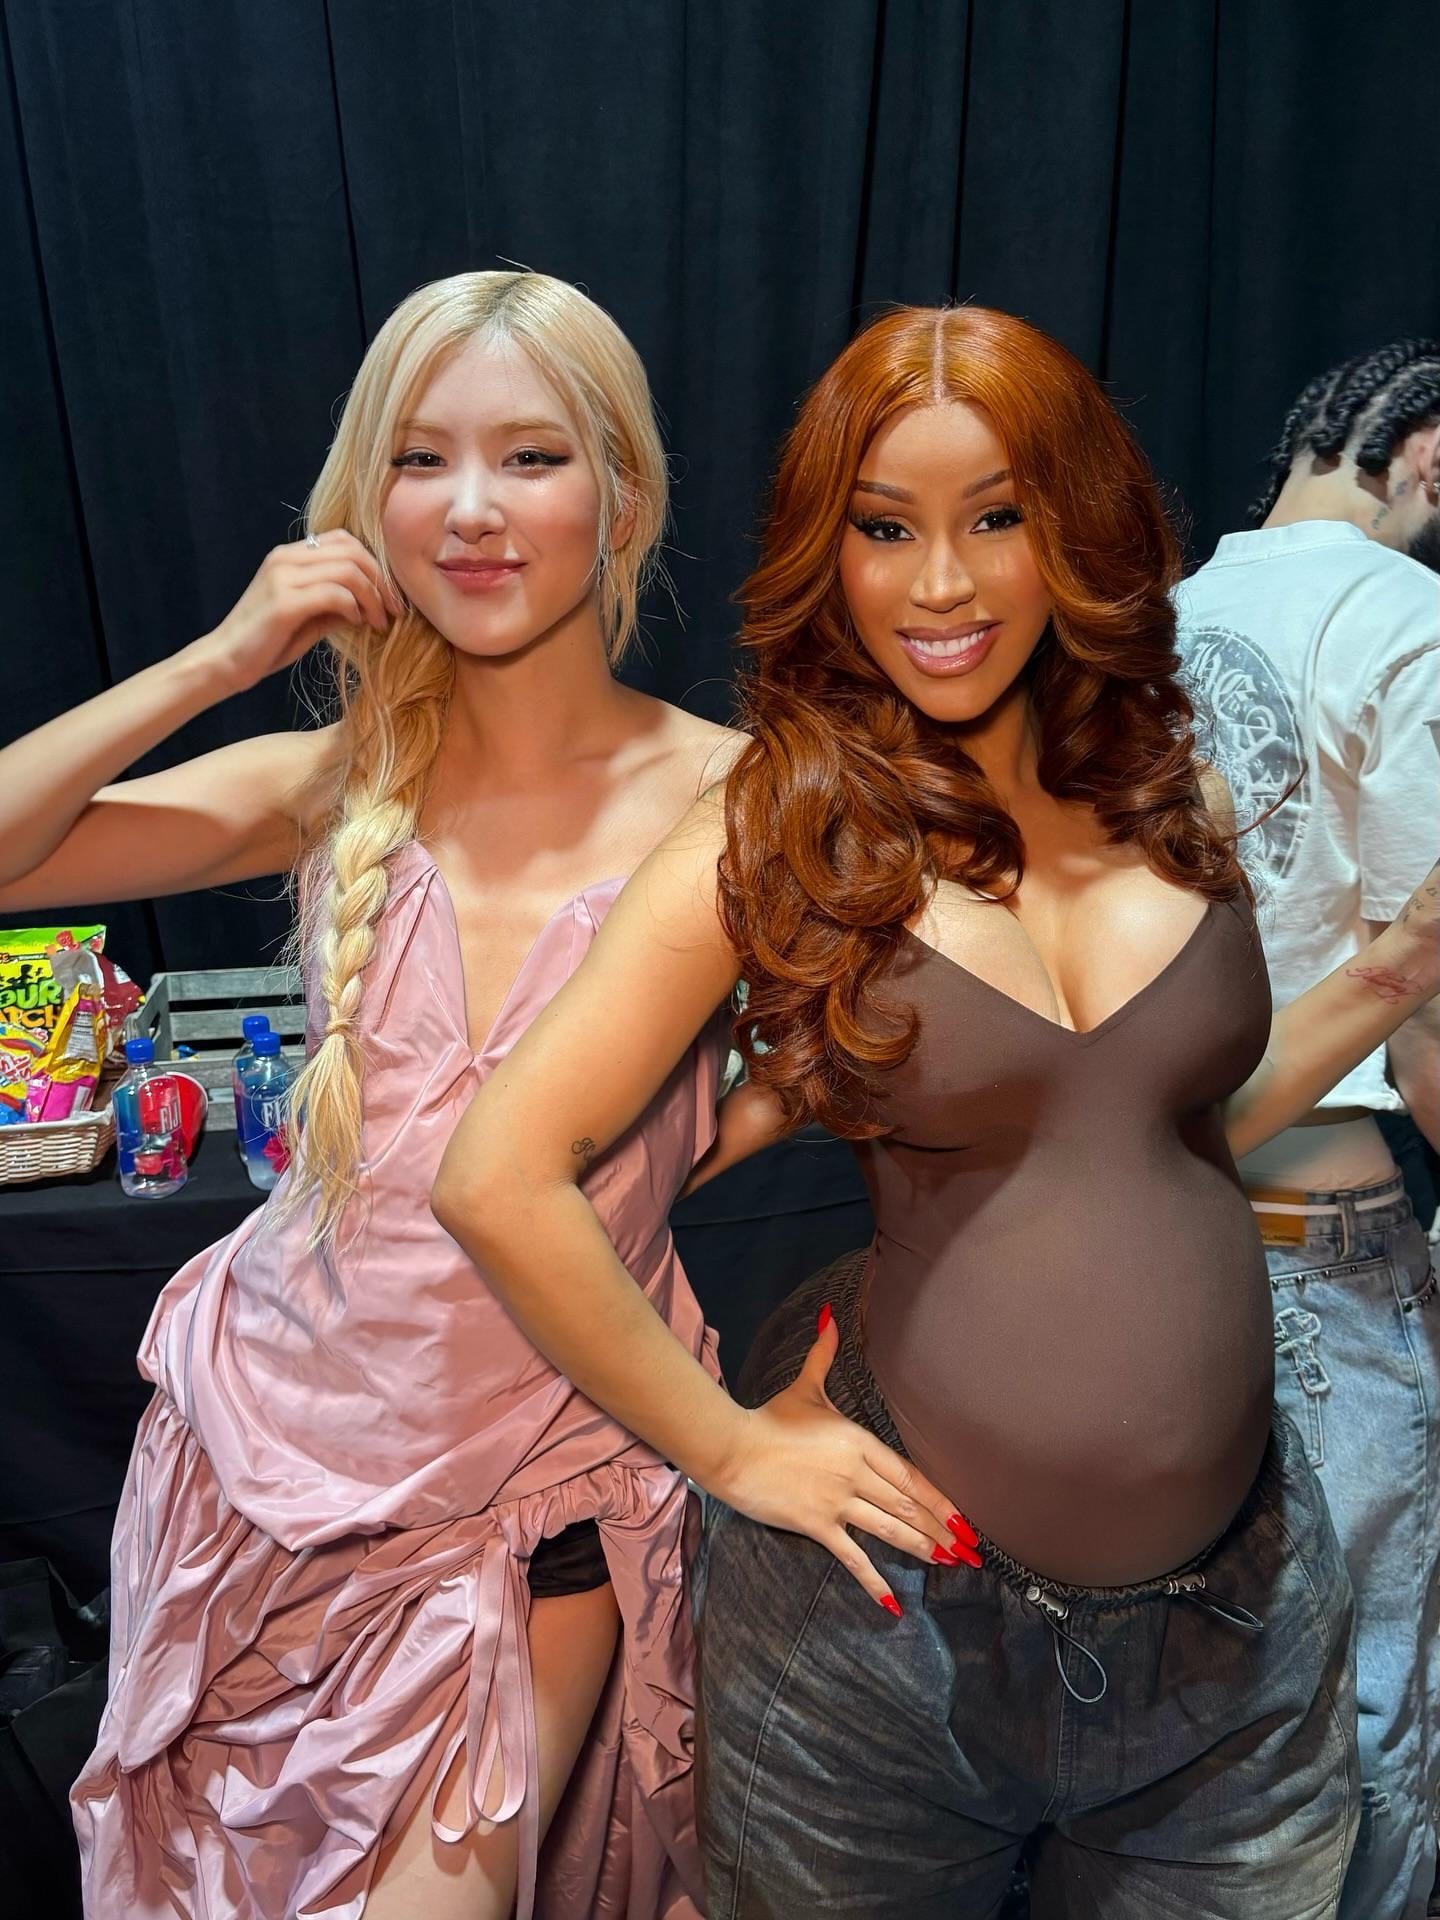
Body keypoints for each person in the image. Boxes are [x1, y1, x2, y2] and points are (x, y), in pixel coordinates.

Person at [431, 305, 1440, 1920]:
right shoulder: (780, 827)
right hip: (888, 1640)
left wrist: (1393, 974)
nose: (944, 585)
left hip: (1238, 1627)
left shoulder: (1170, 785)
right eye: (886, 528)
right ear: (827, 552)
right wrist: (727, 1449)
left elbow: (1160, 1133)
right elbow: (499, 1177)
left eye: (997, 518)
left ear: (1079, 528)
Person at [0, 269, 740, 1920]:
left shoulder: (734, 793)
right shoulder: (332, 783)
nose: (471, 508)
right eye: (420, 459)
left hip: (525, 1512)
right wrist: (215, 660)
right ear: (366, 505)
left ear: (624, 499)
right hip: (249, 1483)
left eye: (532, 457)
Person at [1176, 337, 1440, 1920]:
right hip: (1333, 1250)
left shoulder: (1150, 625)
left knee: (1187, 1721)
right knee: (1371, 1708)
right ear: (1427, 452)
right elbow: (1429, 990)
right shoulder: (1408, 619)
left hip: (1154, 1239)